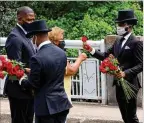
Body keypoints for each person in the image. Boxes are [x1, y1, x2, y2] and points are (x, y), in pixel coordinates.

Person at [83, 9, 143, 123]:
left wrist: (125, 73)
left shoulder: (136, 42)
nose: (118, 26)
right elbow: (106, 56)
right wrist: (91, 50)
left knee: (131, 117)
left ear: (129, 25)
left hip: (130, 84)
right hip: (119, 84)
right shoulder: (118, 41)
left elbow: (141, 65)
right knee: (124, 116)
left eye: (121, 24)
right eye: (118, 24)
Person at [19, 20, 72, 123]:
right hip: (62, 103)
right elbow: (52, 72)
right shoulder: (61, 53)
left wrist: (22, 79)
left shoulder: (37, 58)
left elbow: (33, 84)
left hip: (46, 108)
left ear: (35, 37)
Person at [4, 6, 36, 123]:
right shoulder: (15, 37)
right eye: (28, 20)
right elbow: (15, 66)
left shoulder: (26, 35)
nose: (32, 22)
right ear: (19, 19)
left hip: (28, 88)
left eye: (33, 19)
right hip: (18, 89)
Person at [48, 26, 87, 102]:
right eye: (61, 39)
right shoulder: (58, 54)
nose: (63, 42)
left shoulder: (47, 52)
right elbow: (70, 71)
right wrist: (80, 59)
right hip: (61, 93)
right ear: (55, 41)